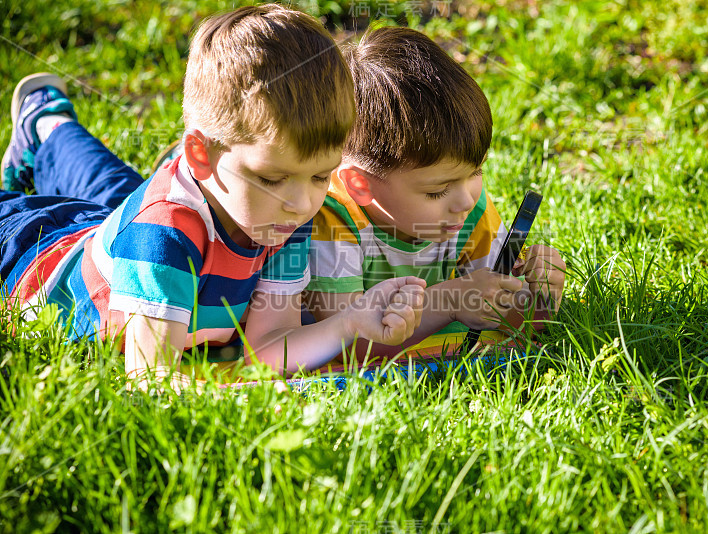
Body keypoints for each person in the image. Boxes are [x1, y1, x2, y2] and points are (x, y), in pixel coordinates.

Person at [0, 5, 425, 390]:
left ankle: (45, 125)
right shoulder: (161, 233)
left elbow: (269, 347)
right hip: (30, 248)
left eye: (320, 175)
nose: (301, 202)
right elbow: (148, 379)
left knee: (114, 196)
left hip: (108, 231)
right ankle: (46, 124)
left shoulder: (283, 219)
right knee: (114, 204)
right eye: (272, 178)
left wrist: (349, 322)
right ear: (201, 155)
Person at [304, 26, 566, 357]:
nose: (466, 200)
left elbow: (505, 316)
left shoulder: (470, 212)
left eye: (476, 172)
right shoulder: (332, 219)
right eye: (436, 191)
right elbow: (346, 348)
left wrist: (539, 298)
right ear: (360, 185)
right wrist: (451, 301)